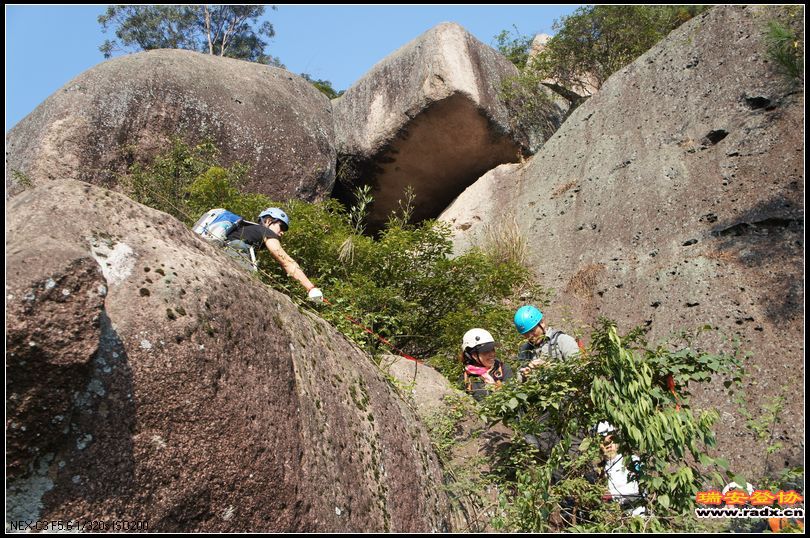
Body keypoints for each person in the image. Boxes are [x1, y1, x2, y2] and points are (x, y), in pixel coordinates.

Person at [224, 207, 323, 301]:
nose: (282, 232)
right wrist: (311, 288)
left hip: (225, 250)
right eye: (281, 226)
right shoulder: (265, 231)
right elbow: (286, 262)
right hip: (233, 251)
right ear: (268, 220)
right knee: (251, 287)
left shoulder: (249, 230)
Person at [513, 305, 581, 378]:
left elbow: (578, 371)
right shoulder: (525, 350)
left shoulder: (563, 341)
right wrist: (525, 374)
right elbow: (519, 379)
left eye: (532, 331)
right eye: (526, 334)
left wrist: (549, 368)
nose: (530, 336)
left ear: (542, 323)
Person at [460, 328, 513, 402]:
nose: (492, 354)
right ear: (473, 355)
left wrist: (497, 389)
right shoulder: (466, 379)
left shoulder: (504, 369)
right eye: (485, 351)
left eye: (492, 349)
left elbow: (512, 397)